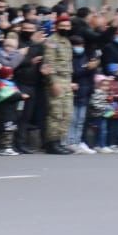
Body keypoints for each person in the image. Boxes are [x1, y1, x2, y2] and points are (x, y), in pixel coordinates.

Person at [40, 16, 75, 155]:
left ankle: (60, 141)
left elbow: (68, 63)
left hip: (66, 80)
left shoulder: (67, 41)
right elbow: (49, 63)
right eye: (63, 26)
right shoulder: (51, 41)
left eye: (68, 26)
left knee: (67, 112)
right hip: (56, 80)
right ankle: (51, 142)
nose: (66, 28)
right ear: (56, 26)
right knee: (56, 113)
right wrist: (52, 82)